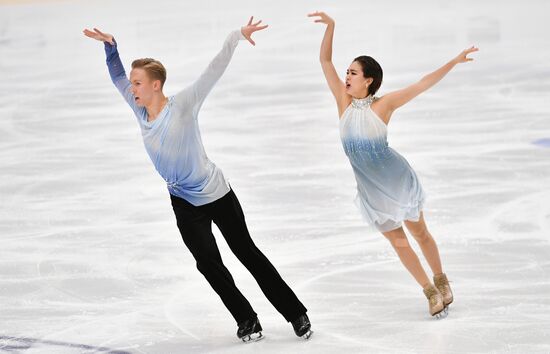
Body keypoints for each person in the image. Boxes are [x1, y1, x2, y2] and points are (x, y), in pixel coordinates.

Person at [83, 16, 312, 341]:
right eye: (133, 84)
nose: (131, 88)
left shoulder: (184, 105)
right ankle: (247, 319)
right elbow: (117, 75)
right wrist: (111, 48)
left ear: (155, 85)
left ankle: (296, 313)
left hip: (216, 193)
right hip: (183, 200)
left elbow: (214, 70)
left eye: (137, 83)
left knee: (246, 252)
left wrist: (237, 36)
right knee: (208, 264)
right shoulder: (139, 109)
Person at [308, 11, 478, 317]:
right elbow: (324, 62)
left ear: (369, 81)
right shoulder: (342, 102)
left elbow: (423, 84)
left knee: (420, 234)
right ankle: (429, 291)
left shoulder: (384, 105)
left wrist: (453, 62)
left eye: (353, 73)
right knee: (399, 244)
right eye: (347, 72)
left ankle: (442, 280)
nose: (346, 77)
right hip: (371, 190)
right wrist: (331, 27)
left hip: (397, 181)